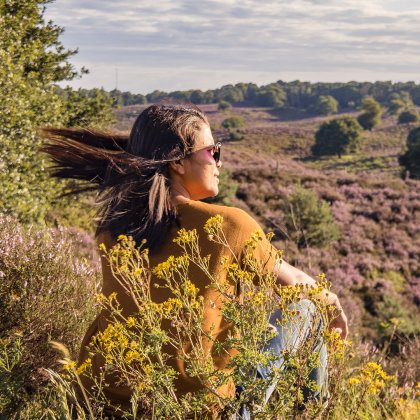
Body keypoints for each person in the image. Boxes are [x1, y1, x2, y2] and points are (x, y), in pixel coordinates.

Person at [42, 104, 348, 416]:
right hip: (197, 409)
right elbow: (295, 284)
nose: (219, 162)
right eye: (213, 151)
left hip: (100, 402)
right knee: (307, 308)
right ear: (177, 161)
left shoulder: (113, 228)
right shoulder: (230, 224)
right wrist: (331, 301)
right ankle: (312, 413)